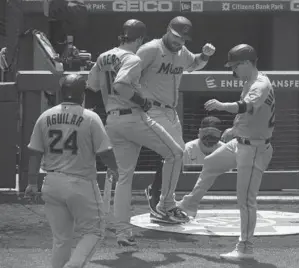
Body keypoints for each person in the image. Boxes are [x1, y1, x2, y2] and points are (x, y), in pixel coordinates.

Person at [86, 19, 188, 247]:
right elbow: (121, 86)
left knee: (124, 178)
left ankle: (123, 232)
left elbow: (92, 85)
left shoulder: (103, 56)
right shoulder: (132, 58)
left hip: (112, 120)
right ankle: (164, 205)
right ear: (140, 38)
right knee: (176, 153)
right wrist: (141, 100)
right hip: (134, 117)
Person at [176, 44, 275, 261]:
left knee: (246, 200)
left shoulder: (260, 83)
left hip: (255, 148)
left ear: (247, 63)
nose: (233, 72)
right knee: (211, 163)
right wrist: (234, 129)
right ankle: (188, 206)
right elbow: (252, 115)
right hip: (241, 142)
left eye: (235, 66)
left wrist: (221, 106)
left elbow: (245, 107)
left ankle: (245, 248)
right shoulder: (250, 80)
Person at [24, 73, 119, 268]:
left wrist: (32, 183)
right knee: (95, 231)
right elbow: (105, 152)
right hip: (80, 183)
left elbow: (34, 153)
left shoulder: (45, 116)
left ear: (61, 92)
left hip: (51, 183)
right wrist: (116, 169)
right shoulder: (90, 118)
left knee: (61, 239)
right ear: (81, 94)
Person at [138, 16, 216, 219]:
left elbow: (194, 64)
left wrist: (205, 56)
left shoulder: (182, 53)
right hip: (151, 109)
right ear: (167, 30)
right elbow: (130, 75)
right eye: (176, 36)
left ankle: (159, 195)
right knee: (175, 154)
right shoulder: (150, 49)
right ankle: (164, 203)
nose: (179, 41)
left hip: (170, 111)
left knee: (176, 155)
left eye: (183, 39)